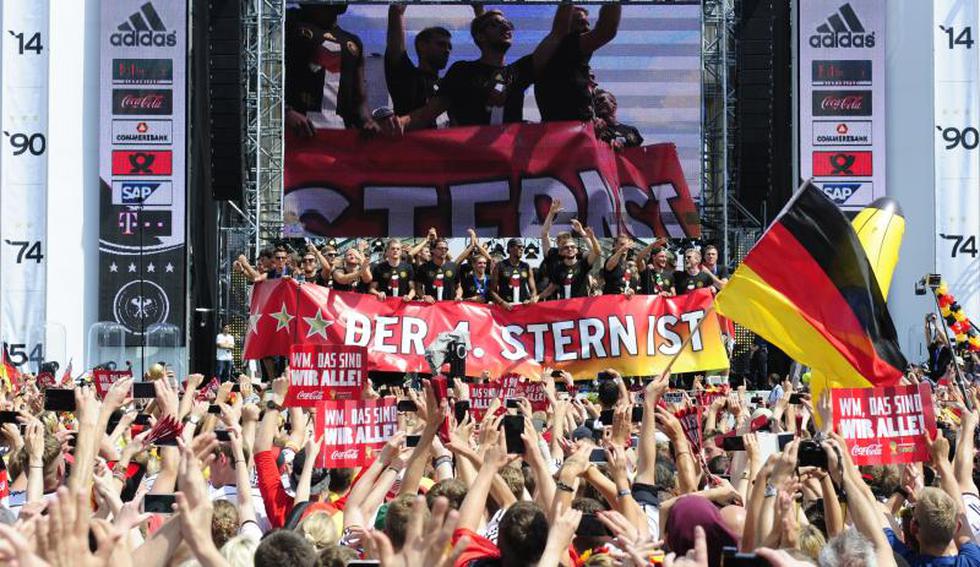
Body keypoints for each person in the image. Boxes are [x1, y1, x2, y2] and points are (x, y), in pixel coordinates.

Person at [390, 8, 566, 131]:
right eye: (496, 24)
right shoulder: (462, 71)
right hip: (471, 172)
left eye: (508, 23)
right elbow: (427, 114)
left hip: (509, 171)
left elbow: (558, 34)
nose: (506, 27)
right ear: (480, 36)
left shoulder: (518, 72)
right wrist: (397, 124)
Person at [384, 5, 485, 124]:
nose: (447, 50)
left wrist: (479, 8)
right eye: (441, 44)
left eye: (449, 47)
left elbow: (490, 49)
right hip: (412, 142)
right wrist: (397, 11)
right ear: (422, 46)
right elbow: (396, 12)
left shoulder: (450, 84)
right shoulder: (405, 76)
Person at [285, 5, 377, 133]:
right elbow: (262, 75)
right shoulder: (289, 23)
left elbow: (360, 99)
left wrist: (367, 121)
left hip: (337, 139)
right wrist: (285, 112)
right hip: (296, 135)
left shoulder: (353, 42)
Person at [535, 3, 621, 122]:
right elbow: (606, 30)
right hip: (564, 135)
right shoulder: (564, 49)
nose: (587, 29)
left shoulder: (570, 64)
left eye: (587, 24)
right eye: (580, 23)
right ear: (566, 26)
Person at [540, 223, 601, 300]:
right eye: (565, 247)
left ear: (576, 250)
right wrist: (537, 296)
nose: (570, 249)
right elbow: (552, 287)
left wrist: (586, 234)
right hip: (557, 300)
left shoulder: (581, 262)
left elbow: (596, 251)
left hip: (580, 303)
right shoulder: (554, 256)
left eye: (572, 247)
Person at [491, 238, 539, 309]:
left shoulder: (526, 266)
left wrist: (530, 299)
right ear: (510, 248)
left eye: (523, 247)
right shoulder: (500, 266)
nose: (522, 249)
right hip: (505, 308)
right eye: (519, 247)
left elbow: (533, 290)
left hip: (523, 307)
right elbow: (492, 291)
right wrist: (502, 302)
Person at [415, 238, 461, 302]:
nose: (444, 250)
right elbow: (418, 288)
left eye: (446, 248)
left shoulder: (453, 266)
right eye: (440, 248)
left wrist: (458, 295)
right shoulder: (423, 268)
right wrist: (424, 296)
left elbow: (458, 287)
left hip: (450, 306)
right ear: (432, 250)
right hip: (431, 307)